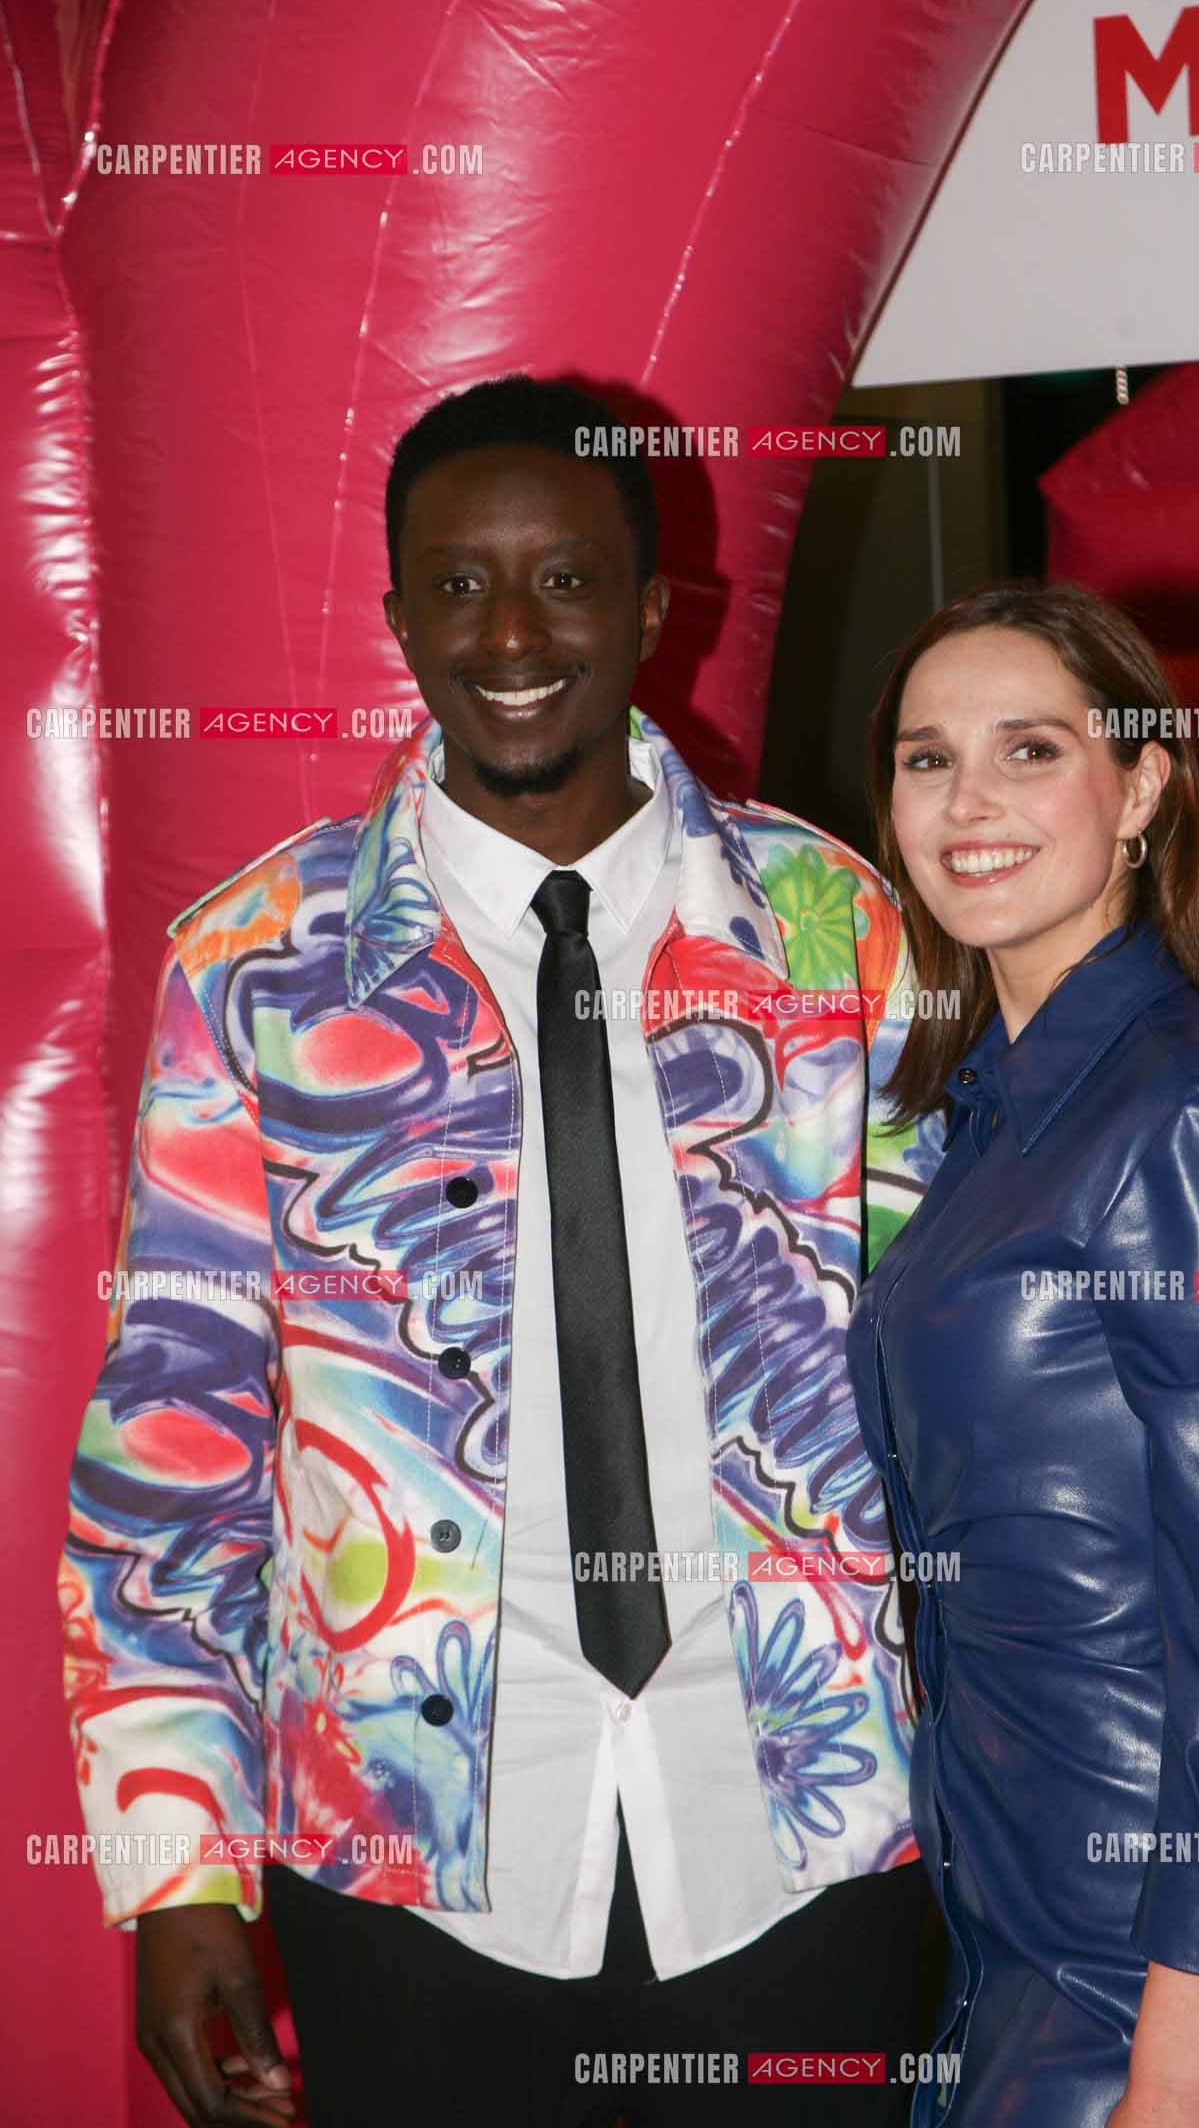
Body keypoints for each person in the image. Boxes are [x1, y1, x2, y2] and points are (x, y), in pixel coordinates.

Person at [58, 375, 943, 2128]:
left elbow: (953, 1375)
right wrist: (180, 1872)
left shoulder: (837, 928)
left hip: (807, 1829)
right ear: (396, 616)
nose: (514, 632)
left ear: (651, 605)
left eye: (566, 579)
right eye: (458, 585)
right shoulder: (250, 967)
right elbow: (175, 1443)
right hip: (409, 1861)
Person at [846, 581, 1199, 2128]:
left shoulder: (1185, 1119)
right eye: (928, 758)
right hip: (1019, 1913)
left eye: (1030, 749)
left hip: (1160, 1962)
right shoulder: (996, 1106)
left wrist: (1180, 2053)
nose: (970, 803)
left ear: (1142, 785)